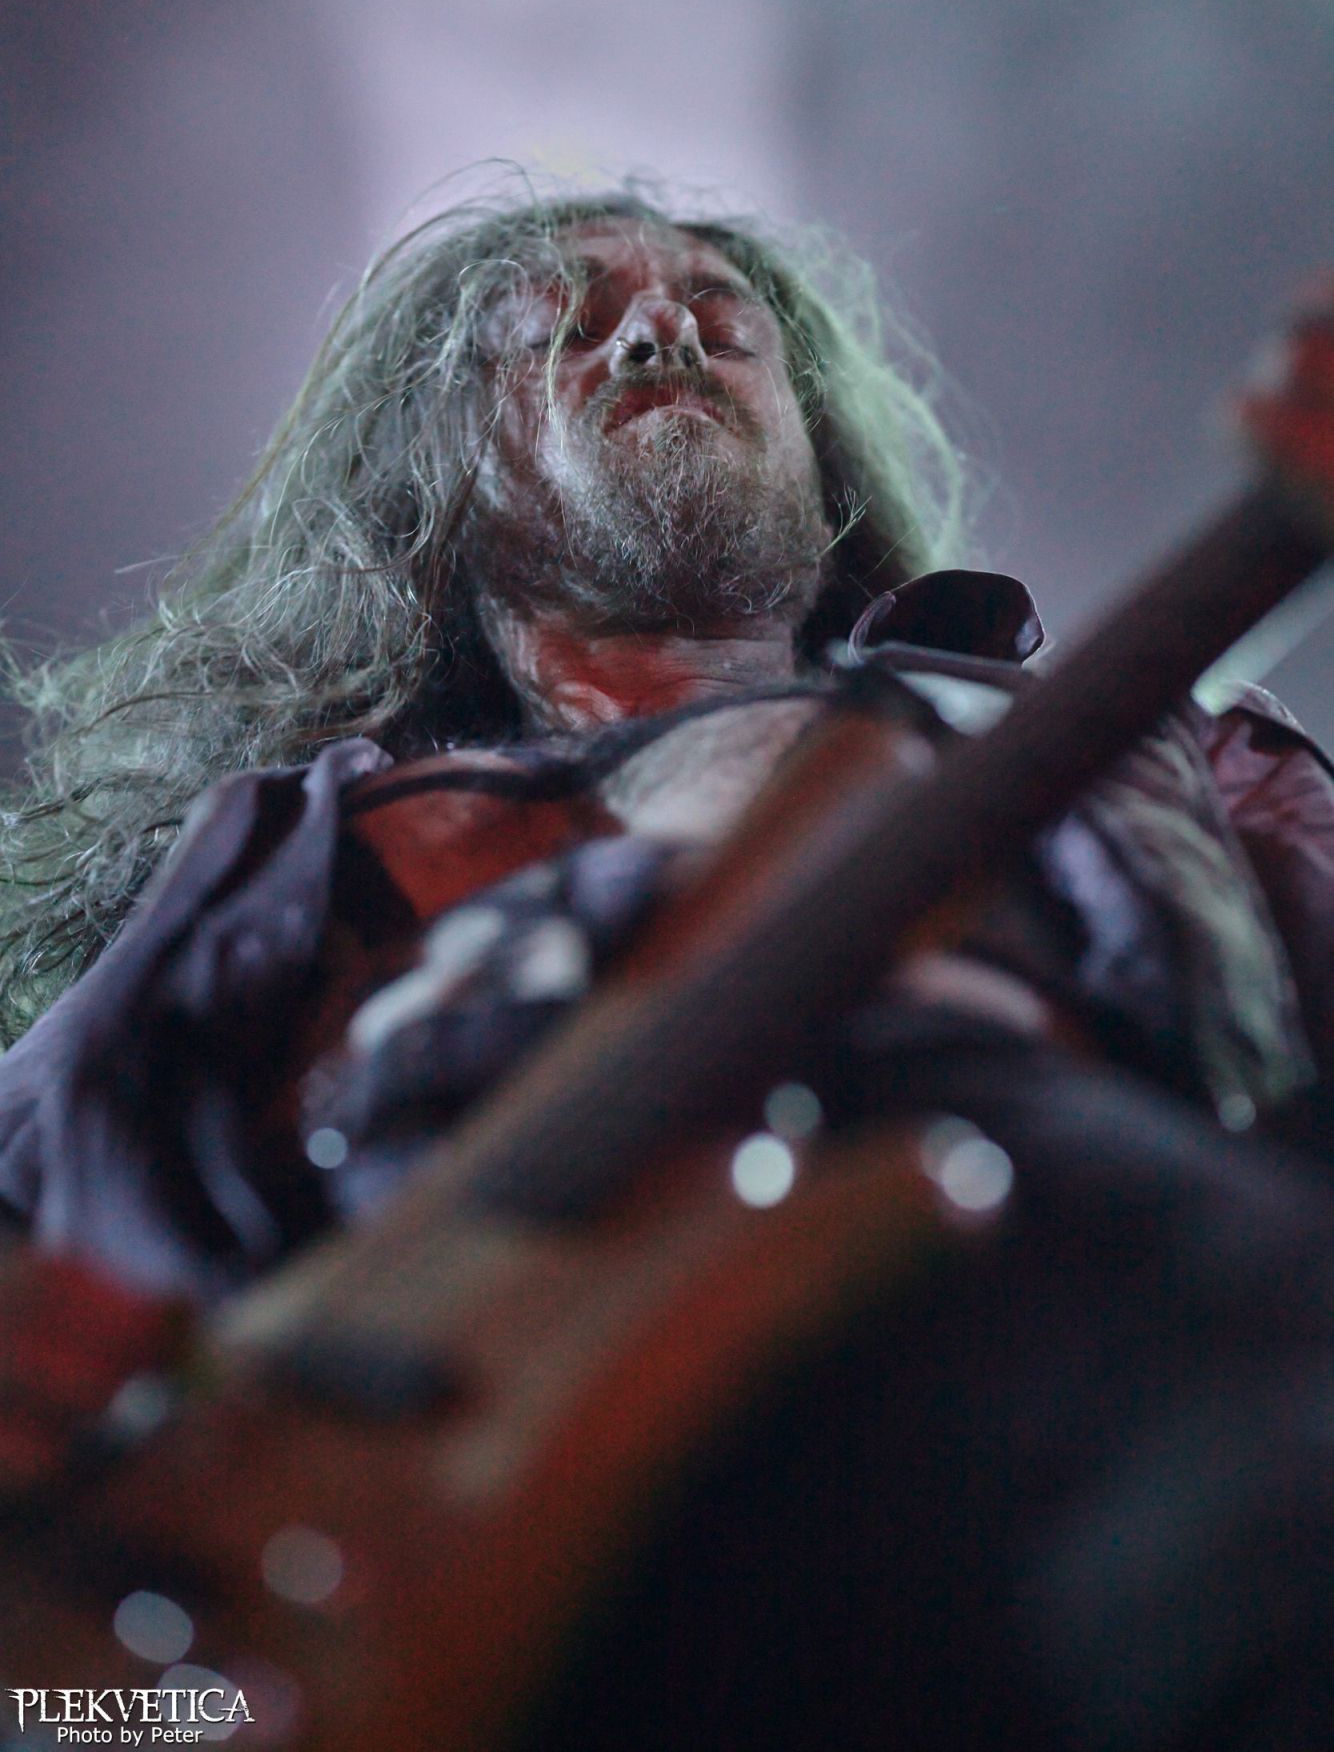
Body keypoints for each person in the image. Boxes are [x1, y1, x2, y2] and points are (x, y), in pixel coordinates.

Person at [2, 186, 1334, 1748]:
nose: (654, 332)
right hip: (389, 1479)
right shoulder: (282, 843)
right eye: (561, 327)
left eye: (719, 319)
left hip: (1027, 1278)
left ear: (817, 452)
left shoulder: (1143, 746)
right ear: (435, 468)